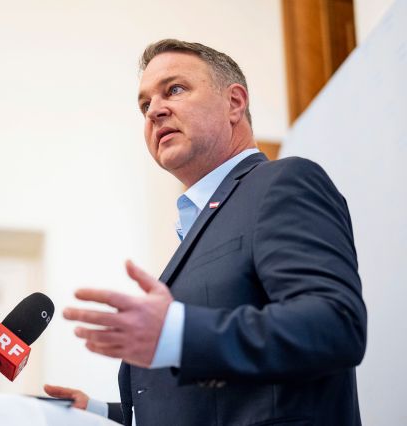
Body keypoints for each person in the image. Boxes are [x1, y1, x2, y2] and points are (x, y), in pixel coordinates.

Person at [45, 39, 367, 426]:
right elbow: (218, 402)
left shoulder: (281, 183)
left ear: (234, 103)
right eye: (145, 105)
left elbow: (334, 325)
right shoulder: (203, 219)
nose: (155, 111)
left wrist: (176, 333)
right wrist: (103, 414)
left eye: (174, 89)